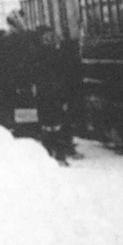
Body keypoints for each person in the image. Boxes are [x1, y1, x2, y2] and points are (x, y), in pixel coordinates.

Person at [32, 26, 75, 164]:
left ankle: (51, 154)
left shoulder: (37, 55)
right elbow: (64, 75)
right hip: (53, 93)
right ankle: (59, 155)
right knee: (56, 124)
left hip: (46, 94)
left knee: (49, 124)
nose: (49, 40)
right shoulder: (57, 54)